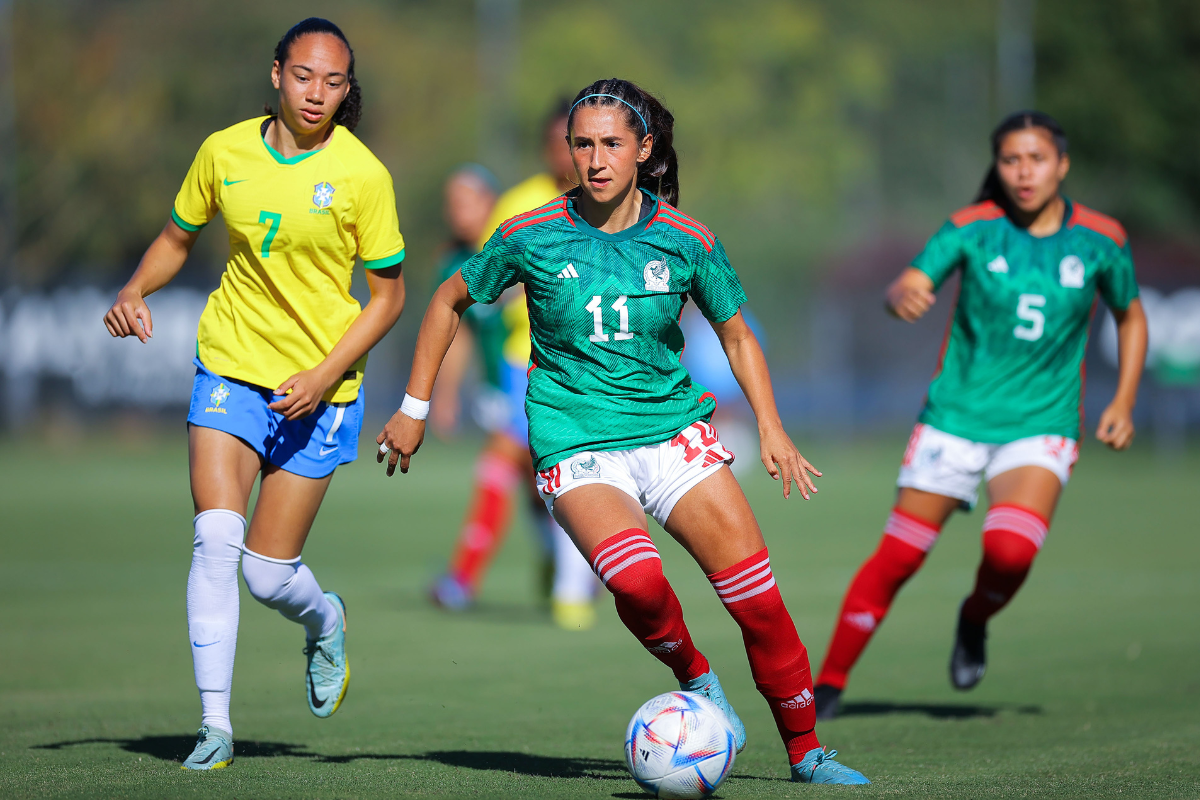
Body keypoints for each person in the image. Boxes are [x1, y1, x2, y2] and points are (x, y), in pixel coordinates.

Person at [377, 78, 868, 784]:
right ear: (567, 150)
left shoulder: (686, 238)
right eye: (583, 144)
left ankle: (807, 752)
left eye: (612, 143)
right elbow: (449, 297)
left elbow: (736, 335)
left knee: (759, 604)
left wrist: (773, 427)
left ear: (644, 149)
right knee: (637, 584)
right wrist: (414, 408)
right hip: (577, 444)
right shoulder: (528, 235)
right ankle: (696, 676)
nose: (597, 158)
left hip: (673, 435)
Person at [103, 18, 406, 769]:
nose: (317, 93)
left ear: (347, 90)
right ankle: (215, 727)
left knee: (267, 573)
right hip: (231, 365)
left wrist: (325, 374)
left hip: (321, 388)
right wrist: (136, 286)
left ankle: (324, 620)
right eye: (304, 75)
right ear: (276, 73)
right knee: (215, 539)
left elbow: (388, 298)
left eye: (334, 82)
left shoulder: (363, 174)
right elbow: (178, 237)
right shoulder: (223, 150)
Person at [812, 111, 1148, 720]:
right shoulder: (971, 227)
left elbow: (1131, 315)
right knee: (899, 559)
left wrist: (1123, 400)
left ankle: (974, 618)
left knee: (1011, 552)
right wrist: (901, 297)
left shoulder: (1102, 238)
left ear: (1062, 166)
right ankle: (828, 685)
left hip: (1040, 425)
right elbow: (905, 284)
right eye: (1011, 160)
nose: (1024, 172)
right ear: (997, 166)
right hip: (954, 421)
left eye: (1037, 159)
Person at [428, 109, 600, 630]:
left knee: (550, 477)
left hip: (592, 363)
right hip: (524, 359)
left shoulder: (611, 205)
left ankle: (562, 571)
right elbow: (481, 294)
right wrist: (445, 391)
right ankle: (549, 587)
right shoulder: (519, 206)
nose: (571, 154)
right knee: (520, 461)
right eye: (564, 142)